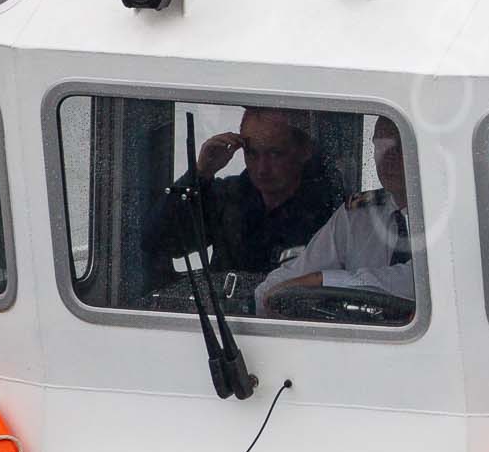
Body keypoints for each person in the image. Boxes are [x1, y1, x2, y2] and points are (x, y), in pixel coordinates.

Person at [147, 106, 343, 274]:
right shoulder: (228, 197)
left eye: (275, 154)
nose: (262, 168)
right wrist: (200, 174)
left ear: (304, 150)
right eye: (252, 153)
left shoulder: (333, 211)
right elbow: (159, 242)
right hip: (224, 314)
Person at [256, 117, 416, 312]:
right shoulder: (357, 215)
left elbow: (417, 282)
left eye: (400, 147)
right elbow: (300, 271)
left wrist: (321, 281)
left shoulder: (447, 220)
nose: (389, 157)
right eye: (381, 146)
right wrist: (264, 298)